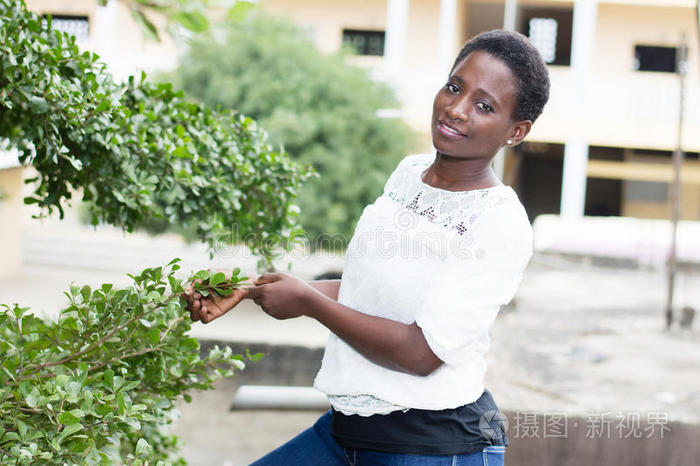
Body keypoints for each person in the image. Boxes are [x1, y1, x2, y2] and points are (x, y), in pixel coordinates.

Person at [184, 29, 550, 466]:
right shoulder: (408, 174)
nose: (455, 109)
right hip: (348, 431)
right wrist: (249, 289)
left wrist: (307, 303)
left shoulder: (498, 221)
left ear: (517, 131)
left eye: (484, 105)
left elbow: (422, 354)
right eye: (454, 86)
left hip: (432, 447)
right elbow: (366, 291)